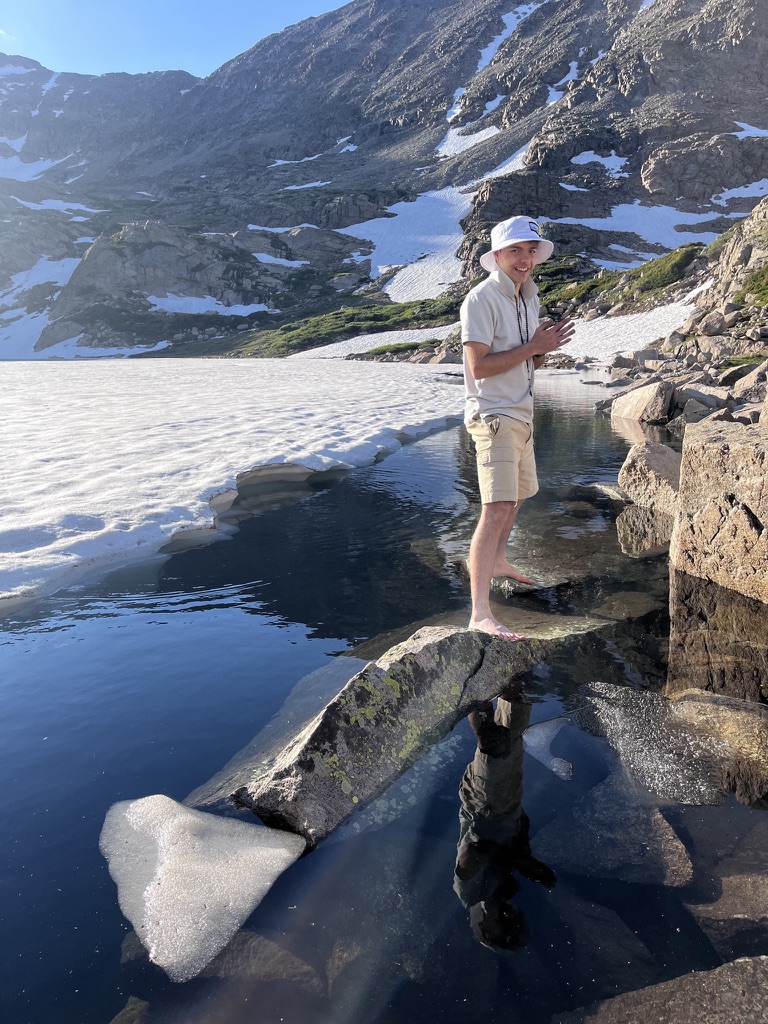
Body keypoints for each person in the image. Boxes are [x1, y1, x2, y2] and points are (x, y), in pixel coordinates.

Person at [461, 214, 575, 638]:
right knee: (494, 509)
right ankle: (479, 613)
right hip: (494, 414)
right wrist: (534, 346)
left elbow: (528, 360)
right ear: (496, 256)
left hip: (521, 412)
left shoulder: (528, 295)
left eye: (531, 251)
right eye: (516, 251)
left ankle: (498, 561)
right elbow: (480, 367)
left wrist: (546, 346)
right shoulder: (480, 299)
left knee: (517, 498)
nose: (525, 259)